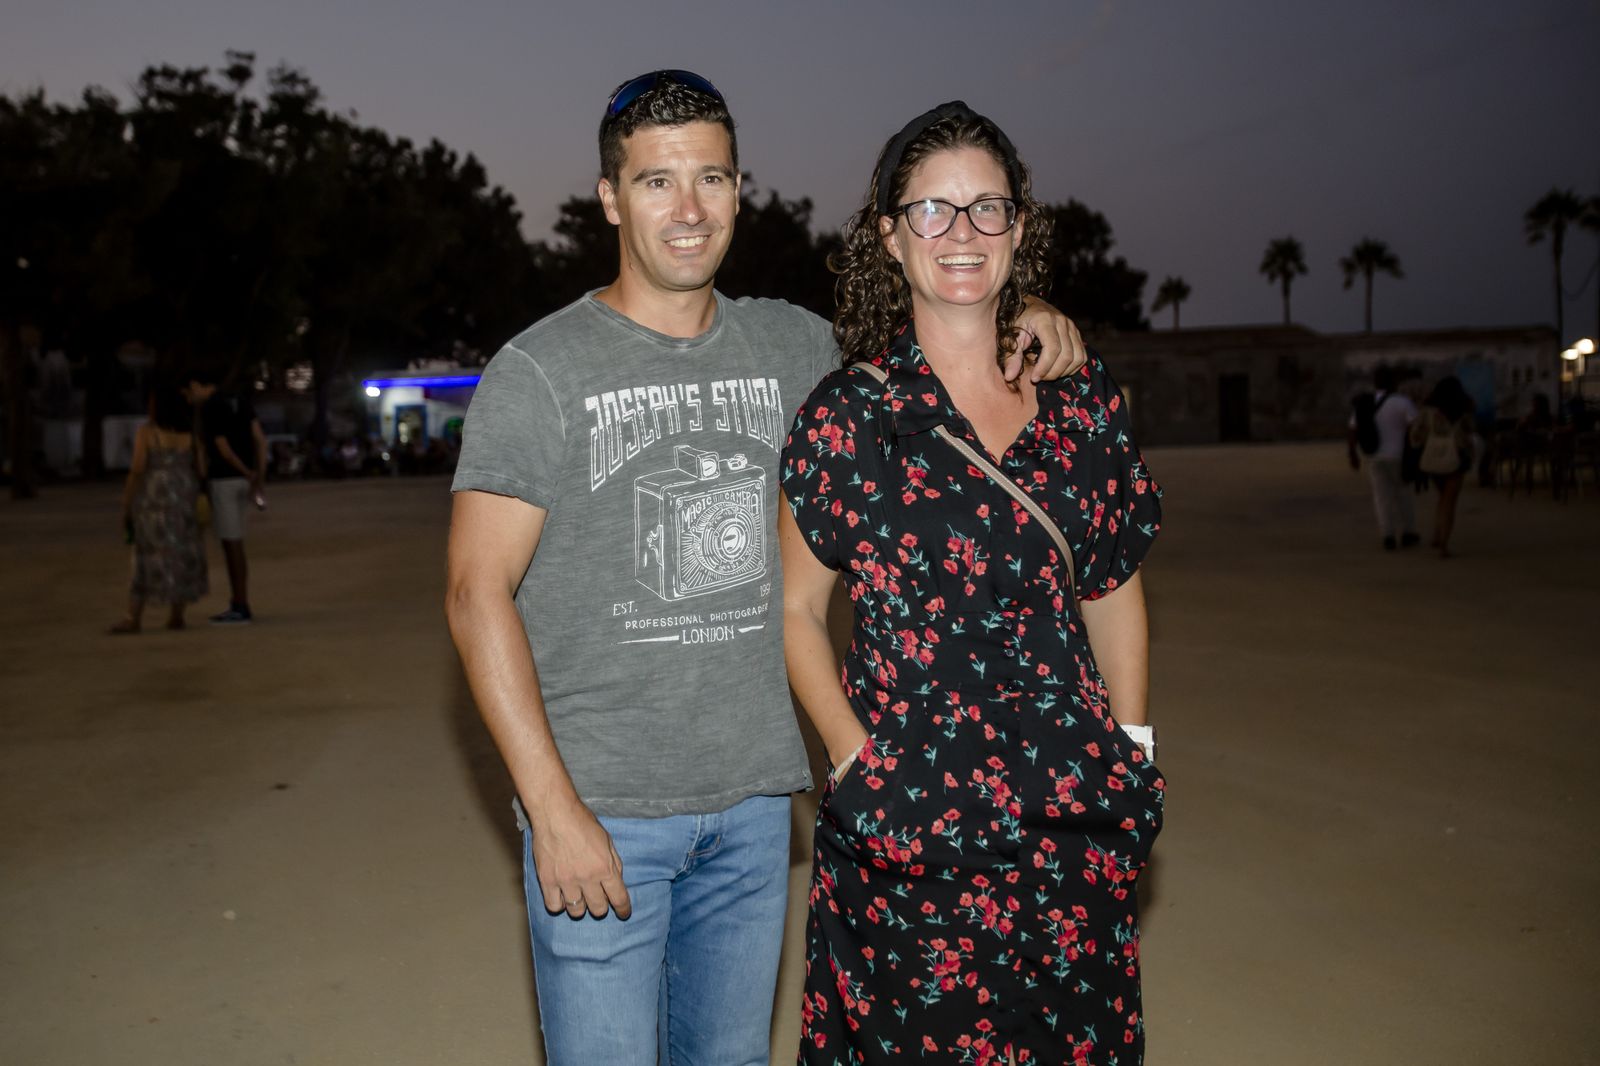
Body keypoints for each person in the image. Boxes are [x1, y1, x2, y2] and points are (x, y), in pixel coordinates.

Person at [445, 72, 1086, 1065]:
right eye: (657, 183)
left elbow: (941, 322)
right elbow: (473, 592)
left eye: (711, 178)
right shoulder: (540, 372)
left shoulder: (797, 348)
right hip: (604, 812)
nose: (690, 210)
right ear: (611, 199)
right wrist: (552, 809)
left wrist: (1027, 308)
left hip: (752, 813)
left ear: (739, 188)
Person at [780, 101, 1164, 1064]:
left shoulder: (1082, 405)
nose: (962, 234)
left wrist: (1134, 749)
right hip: (910, 823)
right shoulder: (849, 417)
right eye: (933, 211)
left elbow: (1112, 586)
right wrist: (854, 762)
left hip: (1072, 814)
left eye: (987, 209)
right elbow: (791, 608)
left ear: (1019, 229)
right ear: (890, 236)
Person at [112, 383, 208, 633]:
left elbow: (137, 469)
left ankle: (134, 617)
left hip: (154, 501)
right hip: (184, 499)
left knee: (146, 555)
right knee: (181, 554)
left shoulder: (148, 432)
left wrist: (126, 502)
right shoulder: (191, 435)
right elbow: (202, 469)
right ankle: (177, 615)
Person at [186, 372, 267, 623]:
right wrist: (257, 479)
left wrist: (244, 470)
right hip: (244, 482)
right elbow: (260, 440)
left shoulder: (211, 407)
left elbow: (221, 447)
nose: (189, 398)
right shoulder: (240, 401)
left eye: (189, 392)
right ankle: (240, 602)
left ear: (197, 384)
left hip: (223, 479)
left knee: (232, 545)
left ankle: (240, 605)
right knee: (236, 542)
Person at [1348, 364, 1419, 550]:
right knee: (1403, 495)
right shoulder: (1403, 402)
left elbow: (1353, 429)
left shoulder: (1364, 403)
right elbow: (1415, 427)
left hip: (1374, 456)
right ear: (1394, 382)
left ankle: (1388, 535)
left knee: (1382, 498)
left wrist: (1353, 453)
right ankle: (1408, 532)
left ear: (1375, 382)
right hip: (1398, 456)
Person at [1410, 376, 1475, 558]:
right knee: (1449, 502)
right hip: (1456, 459)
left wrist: (1422, 446)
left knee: (1442, 498)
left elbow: (1416, 434)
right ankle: (1443, 544)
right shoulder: (1463, 410)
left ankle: (1437, 535)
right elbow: (1471, 431)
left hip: (1433, 459)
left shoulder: (1427, 411)